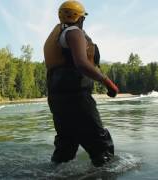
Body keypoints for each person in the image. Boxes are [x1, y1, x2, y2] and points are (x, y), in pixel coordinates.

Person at [44, 0, 119, 167]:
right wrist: (108, 83)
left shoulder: (58, 35)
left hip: (57, 99)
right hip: (77, 98)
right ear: (80, 18)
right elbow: (82, 64)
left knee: (66, 146)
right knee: (102, 148)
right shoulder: (74, 33)